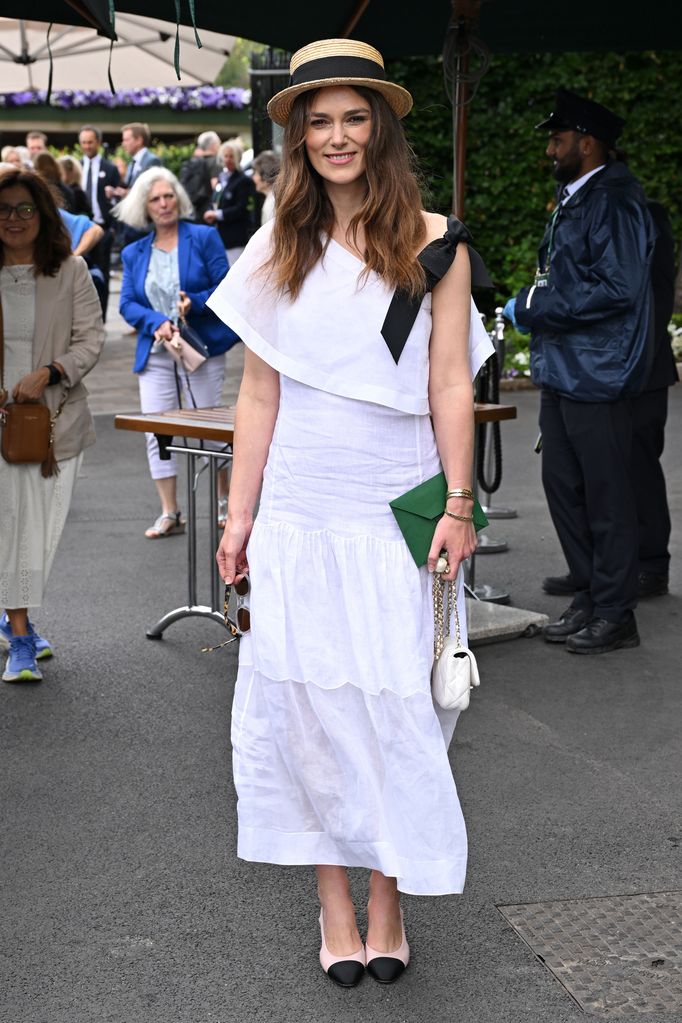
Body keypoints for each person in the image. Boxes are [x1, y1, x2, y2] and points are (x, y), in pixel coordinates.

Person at [207, 38, 493, 987]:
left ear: (381, 129)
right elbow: (257, 397)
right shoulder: (273, 245)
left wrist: (461, 502)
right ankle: (334, 899)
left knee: (401, 703)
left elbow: (451, 380)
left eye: (354, 118)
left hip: (403, 500)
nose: (336, 136)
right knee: (309, 704)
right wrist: (238, 516)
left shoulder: (436, 240)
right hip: (301, 502)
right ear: (297, 134)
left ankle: (388, 896)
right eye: (318, 120)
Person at [506, 89, 656, 654]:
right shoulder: (581, 196)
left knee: (604, 495)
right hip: (570, 369)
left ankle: (616, 612)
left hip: (596, 372)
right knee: (566, 487)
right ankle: (592, 598)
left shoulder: (612, 200)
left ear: (587, 144)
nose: (550, 148)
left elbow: (617, 288)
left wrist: (532, 307)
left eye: (558, 138)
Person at [541, 196, 678, 601]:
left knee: (637, 471)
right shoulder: (578, 213)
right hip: (596, 370)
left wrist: (631, 363)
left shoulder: (641, 213)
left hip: (639, 369)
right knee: (593, 476)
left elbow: (653, 296)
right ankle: (597, 571)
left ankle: (651, 567)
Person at [0, 168, 105, 682]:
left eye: (24, 208)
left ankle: (11, 612)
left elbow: (91, 339)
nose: (13, 219)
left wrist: (48, 371)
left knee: (41, 535)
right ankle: (20, 634)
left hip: (52, 426)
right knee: (10, 531)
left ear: (43, 214)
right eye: (2, 210)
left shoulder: (70, 270)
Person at [116, 168, 240, 538]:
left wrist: (195, 302)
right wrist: (155, 320)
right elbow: (126, 303)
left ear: (179, 199)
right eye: (155, 199)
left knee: (209, 428)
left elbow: (226, 285)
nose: (164, 204)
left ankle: (225, 505)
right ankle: (170, 512)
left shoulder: (203, 236)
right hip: (156, 352)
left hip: (198, 349)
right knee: (157, 430)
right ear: (145, 207)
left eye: (169, 196)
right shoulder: (133, 252)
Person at [78, 125, 121, 317]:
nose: (87, 146)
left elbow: (118, 201)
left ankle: (100, 318)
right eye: (84, 142)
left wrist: (112, 229)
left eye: (90, 142)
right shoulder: (76, 166)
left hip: (103, 228)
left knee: (102, 275)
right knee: (79, 274)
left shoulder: (110, 168)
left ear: (98, 143)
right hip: (81, 230)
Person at [203, 139, 255, 264]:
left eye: (231, 156)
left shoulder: (243, 181)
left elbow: (240, 209)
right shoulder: (222, 177)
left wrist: (217, 214)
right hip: (220, 236)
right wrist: (211, 211)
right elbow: (215, 200)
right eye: (225, 156)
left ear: (238, 158)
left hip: (235, 238)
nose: (228, 160)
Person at [179, 131, 222, 223]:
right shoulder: (216, 162)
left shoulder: (192, 161)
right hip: (206, 211)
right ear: (214, 145)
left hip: (191, 209)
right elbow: (213, 185)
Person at [251, 150, 280, 224]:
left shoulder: (272, 204)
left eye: (256, 173)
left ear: (265, 176)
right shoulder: (275, 198)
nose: (253, 178)